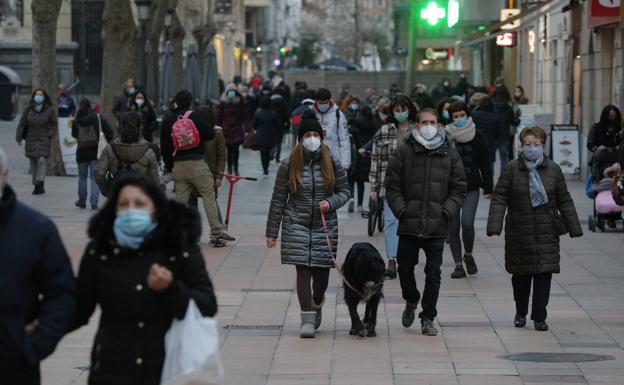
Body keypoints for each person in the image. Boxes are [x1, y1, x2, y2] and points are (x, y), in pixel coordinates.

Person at [73, 175, 218, 385]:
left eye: (140, 204)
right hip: (112, 371)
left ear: (155, 210)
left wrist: (171, 289)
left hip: (167, 371)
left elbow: (207, 305)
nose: (131, 211)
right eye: (124, 204)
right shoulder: (101, 250)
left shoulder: (178, 248)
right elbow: (79, 308)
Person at [487, 126, 582, 331]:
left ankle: (539, 316)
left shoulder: (554, 170)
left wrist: (574, 227)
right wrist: (494, 226)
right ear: (521, 146)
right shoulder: (512, 168)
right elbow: (499, 198)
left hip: (547, 231)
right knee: (520, 277)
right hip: (519, 232)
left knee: (543, 275)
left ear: (543, 146)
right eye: (528, 144)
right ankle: (520, 312)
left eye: (536, 144)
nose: (532, 148)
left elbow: (564, 200)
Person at [266, 115, 350, 338]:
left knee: (321, 274)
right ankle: (307, 320)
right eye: (307, 135)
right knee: (302, 269)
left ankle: (317, 301)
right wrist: (272, 232)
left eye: (315, 135)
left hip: (324, 225)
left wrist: (330, 203)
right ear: (300, 138)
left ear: (321, 138)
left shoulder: (332, 161)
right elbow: (278, 198)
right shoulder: (289, 164)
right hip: (296, 222)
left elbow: (345, 192)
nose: (311, 139)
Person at [385, 108, 466, 336]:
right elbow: (392, 186)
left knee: (433, 273)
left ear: (439, 125)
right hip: (409, 224)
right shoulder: (404, 151)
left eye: (433, 121)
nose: (429, 125)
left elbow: (459, 188)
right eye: (424, 122)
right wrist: (402, 210)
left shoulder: (449, 153)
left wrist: (446, 211)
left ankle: (428, 317)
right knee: (405, 270)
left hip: (436, 225)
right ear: (417, 125)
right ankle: (411, 300)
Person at [0, 146, 77, 384]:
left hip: (14, 368)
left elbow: (62, 294)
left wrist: (33, 346)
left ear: (4, 174)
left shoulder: (37, 229)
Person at [162, 90, 234, 246]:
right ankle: (216, 233)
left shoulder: (168, 120)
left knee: (180, 201)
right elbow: (209, 134)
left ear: (175, 101)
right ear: (190, 103)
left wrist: (170, 167)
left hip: (178, 165)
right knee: (209, 197)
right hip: (196, 163)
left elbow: (164, 147)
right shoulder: (193, 117)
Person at [369, 94, 417, 279]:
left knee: (409, 222)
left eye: (403, 110)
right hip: (389, 183)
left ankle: (406, 257)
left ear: (409, 110)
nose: (400, 113)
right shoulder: (384, 131)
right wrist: (373, 187)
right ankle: (392, 259)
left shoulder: (417, 131)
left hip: (413, 185)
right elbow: (376, 159)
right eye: (396, 110)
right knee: (390, 221)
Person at [445, 102, 493, 278]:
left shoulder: (477, 136)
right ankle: (458, 265)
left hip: (471, 186)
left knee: (467, 223)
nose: (458, 119)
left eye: (461, 115)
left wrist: (488, 187)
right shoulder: (445, 136)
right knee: (453, 226)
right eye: (455, 116)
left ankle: (468, 255)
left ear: (467, 114)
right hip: (449, 188)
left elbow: (485, 164)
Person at [96, 111, 160, 197]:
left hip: (118, 197)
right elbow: (155, 180)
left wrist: (107, 191)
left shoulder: (110, 149)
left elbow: (99, 174)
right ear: (141, 127)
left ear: (121, 126)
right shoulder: (149, 150)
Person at [72, 98, 114, 209]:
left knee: (82, 176)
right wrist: (104, 141)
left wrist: (82, 138)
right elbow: (110, 132)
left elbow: (73, 134)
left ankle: (81, 201)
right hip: (96, 152)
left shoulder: (77, 119)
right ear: (90, 106)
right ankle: (94, 203)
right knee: (94, 178)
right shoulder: (97, 117)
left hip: (81, 152)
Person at [15, 88, 57, 195]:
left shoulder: (49, 109)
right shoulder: (28, 109)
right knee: (33, 164)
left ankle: (40, 182)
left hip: (44, 139)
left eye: (40, 94)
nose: (38, 96)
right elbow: (22, 123)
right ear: (34, 96)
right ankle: (36, 185)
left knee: (42, 160)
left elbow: (54, 124)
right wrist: (19, 137)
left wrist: (50, 134)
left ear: (44, 96)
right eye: (36, 94)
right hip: (31, 139)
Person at [312, 88, 351, 171]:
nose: (323, 105)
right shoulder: (310, 114)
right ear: (315, 101)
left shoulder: (338, 115)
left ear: (329, 100)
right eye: (320, 103)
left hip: (334, 160)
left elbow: (344, 140)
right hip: (314, 161)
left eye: (325, 103)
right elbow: (301, 138)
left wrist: (345, 162)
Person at [348, 106, 376, 213]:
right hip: (366, 155)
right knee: (361, 182)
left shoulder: (355, 123)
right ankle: (360, 204)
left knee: (351, 178)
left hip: (354, 154)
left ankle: (351, 198)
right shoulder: (372, 125)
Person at [218, 83, 247, 175]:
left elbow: (244, 115)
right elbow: (220, 115)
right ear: (227, 92)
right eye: (230, 91)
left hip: (236, 129)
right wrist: (217, 127)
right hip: (226, 129)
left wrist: (247, 128)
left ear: (236, 92)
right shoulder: (223, 102)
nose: (231, 93)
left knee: (236, 149)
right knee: (229, 150)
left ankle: (235, 167)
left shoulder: (240, 101)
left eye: (233, 91)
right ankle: (230, 167)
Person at [493, 86, 520, 172]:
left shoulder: (492, 107)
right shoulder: (508, 108)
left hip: (493, 136)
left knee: (490, 160)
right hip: (505, 135)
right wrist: (518, 120)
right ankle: (503, 178)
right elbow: (513, 121)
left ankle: (490, 178)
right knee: (504, 158)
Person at [253, 96, 279, 177]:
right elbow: (277, 125)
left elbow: (254, 125)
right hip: (271, 135)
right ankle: (266, 167)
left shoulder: (258, 113)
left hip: (261, 135)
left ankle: (265, 170)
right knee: (268, 152)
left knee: (263, 153)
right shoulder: (273, 113)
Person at [471, 96, 501, 167]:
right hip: (490, 145)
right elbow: (498, 133)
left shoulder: (474, 115)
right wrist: (495, 144)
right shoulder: (494, 117)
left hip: (476, 144)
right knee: (490, 169)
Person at [270, 89, 290, 162]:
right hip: (280, 125)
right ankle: (277, 157)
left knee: (271, 140)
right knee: (279, 141)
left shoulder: (270, 101)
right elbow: (287, 114)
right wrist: (287, 123)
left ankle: (271, 153)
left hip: (271, 125)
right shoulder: (283, 101)